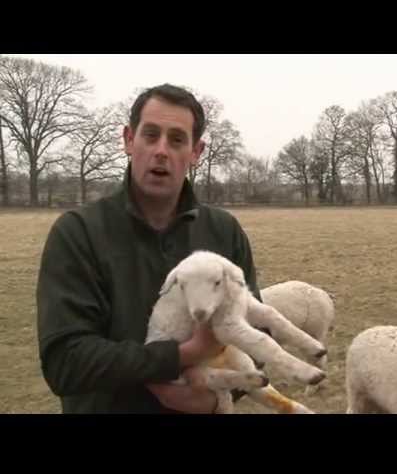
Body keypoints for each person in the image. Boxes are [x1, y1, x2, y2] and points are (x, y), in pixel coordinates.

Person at [36, 83, 262, 413]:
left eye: (176, 139)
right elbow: (66, 362)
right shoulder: (78, 233)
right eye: (150, 135)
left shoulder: (224, 232)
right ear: (129, 140)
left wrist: (215, 398)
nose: (161, 150)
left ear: (196, 152)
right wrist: (181, 356)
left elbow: (255, 338)